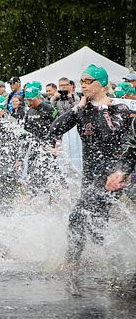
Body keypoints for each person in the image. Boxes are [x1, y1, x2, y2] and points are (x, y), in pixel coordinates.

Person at [50, 64, 131, 265]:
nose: (83, 86)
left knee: (77, 215)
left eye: (88, 81)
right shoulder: (82, 111)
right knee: (96, 226)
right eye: (81, 82)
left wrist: (100, 107)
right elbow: (55, 128)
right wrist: (77, 108)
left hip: (112, 176)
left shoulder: (118, 109)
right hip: (90, 175)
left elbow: (108, 134)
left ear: (102, 84)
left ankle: (71, 263)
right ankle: (119, 260)